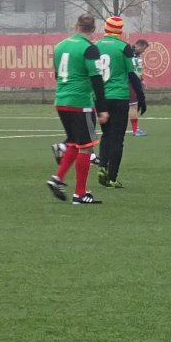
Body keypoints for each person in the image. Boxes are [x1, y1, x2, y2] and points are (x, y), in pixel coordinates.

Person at [47, 14, 108, 205]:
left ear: (76, 26)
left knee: (74, 142)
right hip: (80, 102)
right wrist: (102, 109)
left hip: (61, 100)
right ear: (94, 29)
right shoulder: (89, 48)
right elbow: (96, 79)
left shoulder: (60, 46)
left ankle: (57, 179)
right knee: (86, 147)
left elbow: (57, 74)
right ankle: (80, 194)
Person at [94, 17, 136, 189]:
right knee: (118, 138)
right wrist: (140, 95)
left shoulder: (95, 46)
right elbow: (131, 74)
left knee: (106, 134)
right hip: (119, 96)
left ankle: (102, 166)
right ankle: (112, 177)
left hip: (101, 97)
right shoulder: (124, 47)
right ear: (120, 30)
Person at [130, 39, 150, 136]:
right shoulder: (131, 55)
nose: (144, 51)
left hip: (132, 82)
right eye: (144, 48)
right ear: (139, 46)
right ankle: (135, 130)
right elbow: (133, 71)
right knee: (133, 105)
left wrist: (141, 80)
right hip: (131, 83)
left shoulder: (134, 54)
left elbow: (137, 70)